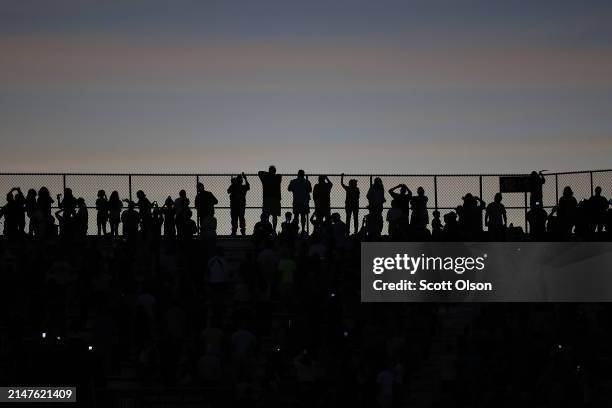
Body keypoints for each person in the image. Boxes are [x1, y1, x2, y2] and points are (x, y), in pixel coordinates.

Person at [258, 166, 282, 231]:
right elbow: (279, 176)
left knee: (267, 215)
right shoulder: (277, 177)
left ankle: (266, 229)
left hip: (267, 199)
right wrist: (272, 173)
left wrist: (268, 173)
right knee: (274, 215)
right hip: (275, 199)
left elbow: (259, 172)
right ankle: (273, 229)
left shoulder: (265, 177)